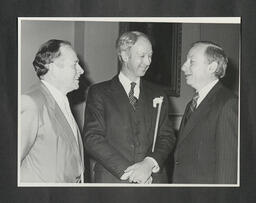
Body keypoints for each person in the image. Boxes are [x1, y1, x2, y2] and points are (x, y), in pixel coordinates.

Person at [83, 31, 176, 183]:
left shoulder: (159, 94)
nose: (148, 62)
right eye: (142, 56)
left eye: (150, 55)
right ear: (125, 56)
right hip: (113, 181)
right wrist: (132, 173)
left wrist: (148, 164)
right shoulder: (99, 93)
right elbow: (92, 138)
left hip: (153, 180)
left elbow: (167, 137)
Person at [172, 41, 238, 184]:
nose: (184, 67)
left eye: (192, 62)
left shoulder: (228, 104)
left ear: (212, 67)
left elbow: (227, 169)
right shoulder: (191, 104)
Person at [20, 39, 85, 183]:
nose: (81, 70)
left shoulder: (62, 101)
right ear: (53, 67)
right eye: (75, 64)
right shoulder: (31, 102)